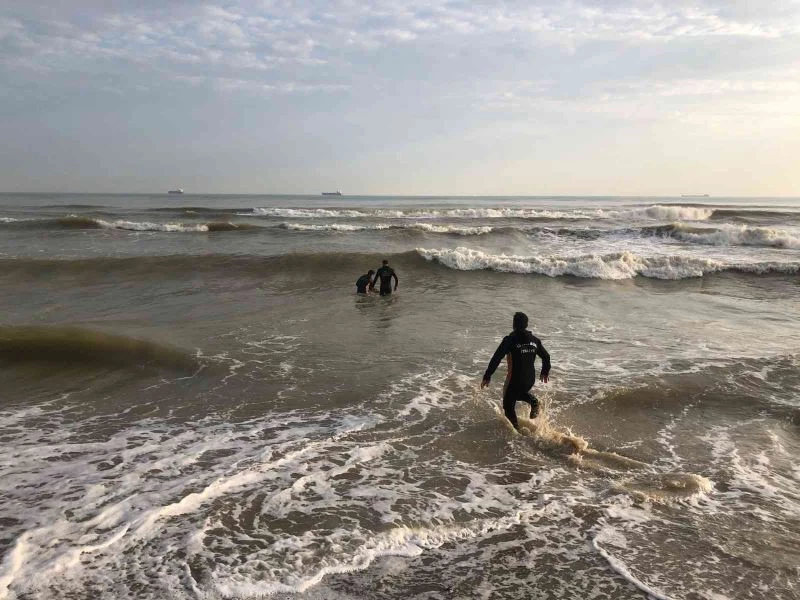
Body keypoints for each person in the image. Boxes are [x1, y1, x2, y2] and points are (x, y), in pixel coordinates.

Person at [480, 312, 550, 431]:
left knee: (508, 405)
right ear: (527, 325)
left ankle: (516, 432)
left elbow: (496, 358)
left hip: (515, 379)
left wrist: (487, 376)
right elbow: (546, 356)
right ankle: (532, 400)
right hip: (530, 379)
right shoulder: (535, 340)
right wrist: (545, 371)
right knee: (517, 394)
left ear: (514, 325)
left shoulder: (510, 340)